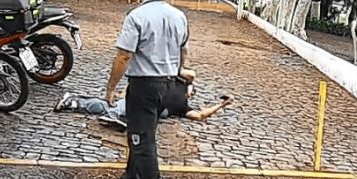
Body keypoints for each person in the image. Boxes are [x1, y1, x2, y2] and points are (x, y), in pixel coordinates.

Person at [105, 0, 189, 179]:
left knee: (142, 140)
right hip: (167, 83)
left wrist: (111, 88)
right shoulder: (178, 16)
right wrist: (178, 73)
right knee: (141, 133)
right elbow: (184, 51)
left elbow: (124, 55)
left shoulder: (137, 16)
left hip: (143, 84)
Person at [55, 69, 233, 129]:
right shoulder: (175, 80)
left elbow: (201, 115)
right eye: (192, 90)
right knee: (116, 108)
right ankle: (75, 102)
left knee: (110, 108)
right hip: (145, 94)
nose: (192, 93)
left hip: (150, 109)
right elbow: (190, 74)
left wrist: (222, 104)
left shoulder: (183, 107)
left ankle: (74, 102)